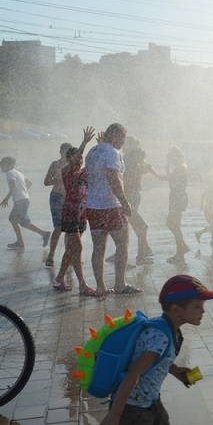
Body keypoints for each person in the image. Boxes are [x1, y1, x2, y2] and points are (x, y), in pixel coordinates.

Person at [100, 274, 213, 425]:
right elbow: (133, 373)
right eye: (198, 307)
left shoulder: (169, 328)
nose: (203, 312)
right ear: (176, 309)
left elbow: (153, 359)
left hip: (150, 401)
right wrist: (114, 415)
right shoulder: (160, 336)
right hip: (132, 408)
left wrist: (175, 370)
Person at [85, 123, 140, 297]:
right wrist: (124, 202)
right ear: (115, 136)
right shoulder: (112, 153)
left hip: (93, 206)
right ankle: (119, 284)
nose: (123, 143)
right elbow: (113, 177)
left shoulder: (92, 152)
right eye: (122, 139)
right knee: (123, 244)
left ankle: (100, 287)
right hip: (111, 205)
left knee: (98, 248)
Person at [53, 127, 96, 295]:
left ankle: (59, 278)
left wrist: (99, 147)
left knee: (71, 250)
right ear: (69, 159)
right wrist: (84, 142)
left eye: (81, 159)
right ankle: (83, 285)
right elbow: (75, 159)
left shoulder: (84, 173)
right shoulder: (66, 172)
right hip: (70, 214)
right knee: (77, 249)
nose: (79, 160)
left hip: (81, 215)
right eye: (76, 158)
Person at [122, 136, 163, 265]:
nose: (142, 162)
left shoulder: (135, 163)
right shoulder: (127, 165)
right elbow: (125, 183)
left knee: (136, 226)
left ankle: (142, 253)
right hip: (126, 199)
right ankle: (136, 256)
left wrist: (156, 174)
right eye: (140, 160)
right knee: (139, 226)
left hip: (130, 197)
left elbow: (147, 165)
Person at [0, 156, 51, 249]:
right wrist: (23, 192)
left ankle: (21, 242)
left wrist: (6, 199)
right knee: (23, 222)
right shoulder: (18, 173)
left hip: (20, 201)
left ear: (9, 165)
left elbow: (13, 187)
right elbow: (30, 182)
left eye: (2, 165)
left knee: (13, 219)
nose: (1, 167)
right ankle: (44, 234)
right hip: (24, 199)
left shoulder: (10, 173)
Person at [44, 141, 74, 266]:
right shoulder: (55, 165)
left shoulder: (73, 165)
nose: (66, 153)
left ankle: (68, 256)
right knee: (58, 227)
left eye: (69, 151)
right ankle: (51, 255)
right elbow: (46, 181)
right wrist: (55, 181)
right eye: (64, 150)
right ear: (60, 151)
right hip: (57, 196)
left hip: (69, 198)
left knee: (69, 229)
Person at [164, 146, 189, 264]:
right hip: (177, 197)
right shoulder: (181, 167)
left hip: (178, 197)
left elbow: (172, 181)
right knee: (175, 224)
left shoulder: (181, 167)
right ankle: (181, 248)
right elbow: (172, 180)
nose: (170, 160)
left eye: (170, 158)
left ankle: (181, 250)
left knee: (172, 223)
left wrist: (167, 167)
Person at [195, 171, 213, 249]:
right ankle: (199, 233)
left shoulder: (209, 187)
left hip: (208, 208)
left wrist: (202, 204)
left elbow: (203, 195)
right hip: (210, 209)